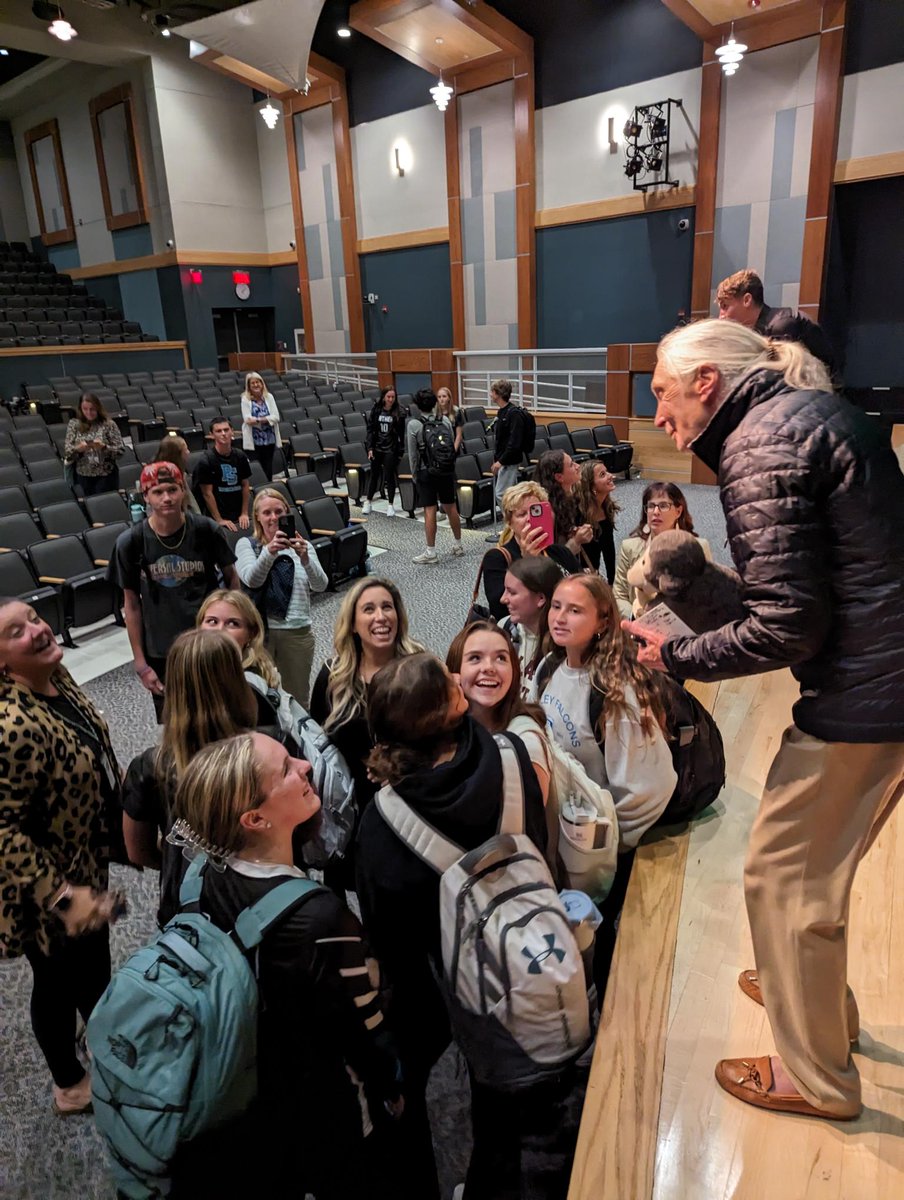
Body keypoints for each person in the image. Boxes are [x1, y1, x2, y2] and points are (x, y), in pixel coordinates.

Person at [625, 317, 904, 1122]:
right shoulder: (807, 413)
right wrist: (697, 603)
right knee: (813, 880)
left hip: (866, 694)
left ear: (707, 381)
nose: (660, 415)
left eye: (664, 394)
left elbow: (789, 626)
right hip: (883, 680)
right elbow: (803, 588)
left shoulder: (757, 444)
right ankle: (815, 1001)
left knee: (783, 883)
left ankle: (818, 1078)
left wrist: (675, 658)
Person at [166, 732, 402, 1197]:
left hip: (240, 1090)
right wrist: (391, 1082)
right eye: (287, 770)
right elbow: (366, 1025)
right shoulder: (318, 918)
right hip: (317, 1096)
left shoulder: (193, 873)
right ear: (254, 818)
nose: (306, 766)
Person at [356, 652, 548, 1199]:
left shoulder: (383, 823)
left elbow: (389, 939)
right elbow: (537, 850)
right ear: (456, 706)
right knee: (503, 1098)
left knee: (415, 1077)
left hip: (444, 983)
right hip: (525, 957)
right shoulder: (512, 757)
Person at [0, 597, 123, 1116]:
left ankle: (100, 1034)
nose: (36, 630)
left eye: (34, 618)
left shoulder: (56, 677)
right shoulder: (9, 727)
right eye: (15, 631)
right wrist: (62, 895)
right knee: (55, 981)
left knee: (92, 966)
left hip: (81, 861)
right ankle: (69, 1084)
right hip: (45, 886)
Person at [122, 628, 261, 926]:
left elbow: (137, 850)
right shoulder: (271, 750)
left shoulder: (148, 765)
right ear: (238, 682)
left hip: (186, 905)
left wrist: (183, 858)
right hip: (261, 901)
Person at [538, 575, 676, 847]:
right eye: (556, 606)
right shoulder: (548, 666)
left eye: (574, 610)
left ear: (602, 621)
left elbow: (644, 793)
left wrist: (608, 847)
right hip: (568, 826)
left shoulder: (615, 693)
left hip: (602, 841)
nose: (560, 618)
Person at [108, 462, 238, 716]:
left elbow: (233, 582)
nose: (166, 498)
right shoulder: (130, 542)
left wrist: (232, 636)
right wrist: (141, 663)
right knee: (177, 726)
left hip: (208, 643)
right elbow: (131, 605)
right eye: (157, 492)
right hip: (163, 649)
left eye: (172, 490)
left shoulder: (205, 530)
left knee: (221, 717)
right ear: (146, 496)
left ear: (183, 491)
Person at [310, 577, 423, 825]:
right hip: (351, 810)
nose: (381, 616)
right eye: (369, 609)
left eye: (387, 607)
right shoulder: (332, 677)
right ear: (352, 624)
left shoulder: (420, 668)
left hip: (413, 803)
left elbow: (442, 739)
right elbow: (317, 747)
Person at [235, 488, 328, 708]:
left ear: (287, 514)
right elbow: (251, 579)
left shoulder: (304, 546)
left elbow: (321, 585)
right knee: (260, 697)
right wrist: (269, 551)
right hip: (260, 634)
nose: (274, 518)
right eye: (267, 512)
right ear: (257, 516)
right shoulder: (247, 545)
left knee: (297, 699)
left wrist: (305, 558)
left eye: (279, 512)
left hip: (297, 632)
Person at [447, 620, 551, 806]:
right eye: (475, 658)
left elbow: (527, 826)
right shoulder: (446, 728)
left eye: (501, 658)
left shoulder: (526, 742)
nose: (489, 667)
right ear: (455, 671)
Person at [479, 480, 579, 622]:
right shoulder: (497, 558)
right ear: (510, 523)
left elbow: (583, 589)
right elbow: (501, 608)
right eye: (521, 514)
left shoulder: (560, 552)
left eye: (535, 512)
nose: (529, 520)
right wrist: (527, 563)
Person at [613, 481, 711, 621]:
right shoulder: (629, 547)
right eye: (651, 506)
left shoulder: (698, 547)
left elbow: (706, 595)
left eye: (663, 506)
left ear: (678, 511)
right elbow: (619, 595)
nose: (656, 512)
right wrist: (637, 618)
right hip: (639, 627)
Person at [716, 268, 835, 372]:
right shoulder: (770, 325)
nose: (721, 316)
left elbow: (779, 377)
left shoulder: (781, 326)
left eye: (725, 306)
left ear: (747, 300)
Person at [406, 387, 464, 564]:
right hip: (446, 470)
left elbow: (413, 455)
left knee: (429, 510)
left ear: (417, 405)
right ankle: (458, 544)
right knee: (451, 507)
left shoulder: (414, 425)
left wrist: (415, 475)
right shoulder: (445, 420)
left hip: (426, 472)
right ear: (435, 403)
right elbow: (450, 446)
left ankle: (431, 552)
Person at [499, 555, 562, 696]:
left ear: (540, 598)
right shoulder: (505, 627)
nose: (503, 599)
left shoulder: (563, 648)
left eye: (512, 592)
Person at [192, 417, 252, 531]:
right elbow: (207, 494)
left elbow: (245, 485)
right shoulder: (206, 460)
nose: (223, 434)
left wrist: (244, 513)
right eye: (218, 431)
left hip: (238, 513)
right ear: (211, 435)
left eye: (226, 430)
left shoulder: (240, 456)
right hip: (218, 516)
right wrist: (219, 519)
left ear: (232, 431)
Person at [535, 449, 595, 558]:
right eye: (572, 465)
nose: (578, 466)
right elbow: (548, 558)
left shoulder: (568, 497)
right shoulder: (548, 511)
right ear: (559, 477)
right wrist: (576, 541)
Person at [63, 392, 123, 495]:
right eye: (85, 409)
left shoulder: (109, 424)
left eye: (92, 409)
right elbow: (67, 452)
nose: (89, 412)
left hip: (106, 475)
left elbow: (120, 451)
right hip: (83, 475)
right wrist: (78, 449)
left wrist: (104, 447)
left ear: (98, 409)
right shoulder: (74, 424)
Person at [363, 385, 405, 517]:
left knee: (389, 476)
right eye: (388, 397)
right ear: (383, 397)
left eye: (393, 397)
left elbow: (401, 434)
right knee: (374, 475)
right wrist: (370, 448)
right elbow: (370, 430)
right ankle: (368, 501)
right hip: (377, 447)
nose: (391, 399)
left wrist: (400, 451)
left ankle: (391, 505)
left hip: (390, 448)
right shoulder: (376, 410)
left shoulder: (399, 412)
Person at [576, 459, 619, 582]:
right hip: (577, 574)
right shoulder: (577, 512)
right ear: (591, 486)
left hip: (593, 573)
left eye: (607, 472)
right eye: (603, 475)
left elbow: (608, 548)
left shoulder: (606, 507)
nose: (611, 476)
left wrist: (612, 581)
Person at [489, 377, 527, 505]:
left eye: (492, 391)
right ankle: (514, 521)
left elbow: (514, 442)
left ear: (498, 394)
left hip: (509, 461)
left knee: (501, 494)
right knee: (512, 494)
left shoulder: (513, 413)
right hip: (504, 459)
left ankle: (512, 521)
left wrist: (500, 462)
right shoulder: (502, 412)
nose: (490, 394)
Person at [240, 370, 281, 480]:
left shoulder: (269, 397)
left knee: (268, 467)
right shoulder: (245, 399)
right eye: (252, 383)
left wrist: (257, 420)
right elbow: (247, 419)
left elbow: (276, 417)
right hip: (254, 440)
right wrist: (266, 419)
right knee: (256, 468)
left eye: (258, 382)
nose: (256, 385)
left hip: (269, 438)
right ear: (248, 386)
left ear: (262, 384)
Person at [153, 434, 200, 513]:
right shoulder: (159, 477)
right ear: (176, 455)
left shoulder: (180, 472)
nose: (188, 452)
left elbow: (191, 503)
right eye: (185, 450)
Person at [436, 385, 464, 454]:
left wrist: (453, 451)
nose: (441, 399)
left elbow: (459, 436)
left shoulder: (456, 411)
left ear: (449, 398)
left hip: (453, 446)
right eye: (439, 397)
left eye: (444, 396)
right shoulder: (435, 413)